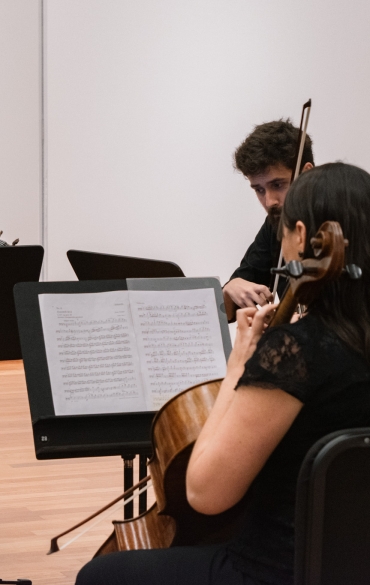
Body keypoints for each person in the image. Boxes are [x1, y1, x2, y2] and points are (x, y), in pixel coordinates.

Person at [75, 162, 370, 585]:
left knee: (100, 577)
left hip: (279, 572)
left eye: (282, 230)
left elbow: (206, 495)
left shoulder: (296, 352)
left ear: (301, 236)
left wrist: (238, 368)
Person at [223, 119, 314, 309]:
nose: (269, 201)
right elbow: (234, 301)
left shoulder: (346, 218)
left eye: (278, 185)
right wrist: (231, 287)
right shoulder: (275, 225)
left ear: (306, 174)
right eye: (259, 190)